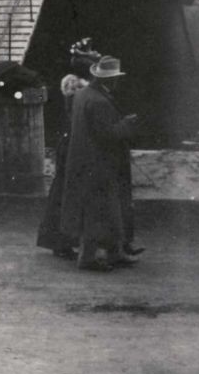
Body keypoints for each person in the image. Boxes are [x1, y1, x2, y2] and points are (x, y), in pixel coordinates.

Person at [56, 56, 140, 271]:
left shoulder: (82, 95)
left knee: (103, 209)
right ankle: (88, 258)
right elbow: (106, 135)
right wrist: (126, 125)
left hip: (82, 160)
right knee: (100, 211)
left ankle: (115, 252)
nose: (117, 81)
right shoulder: (100, 101)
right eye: (115, 78)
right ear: (109, 79)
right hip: (99, 163)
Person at [36, 40, 100, 259]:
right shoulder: (82, 90)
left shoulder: (71, 86)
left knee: (62, 190)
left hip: (67, 142)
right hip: (74, 143)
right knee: (68, 192)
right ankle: (63, 240)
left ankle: (58, 239)